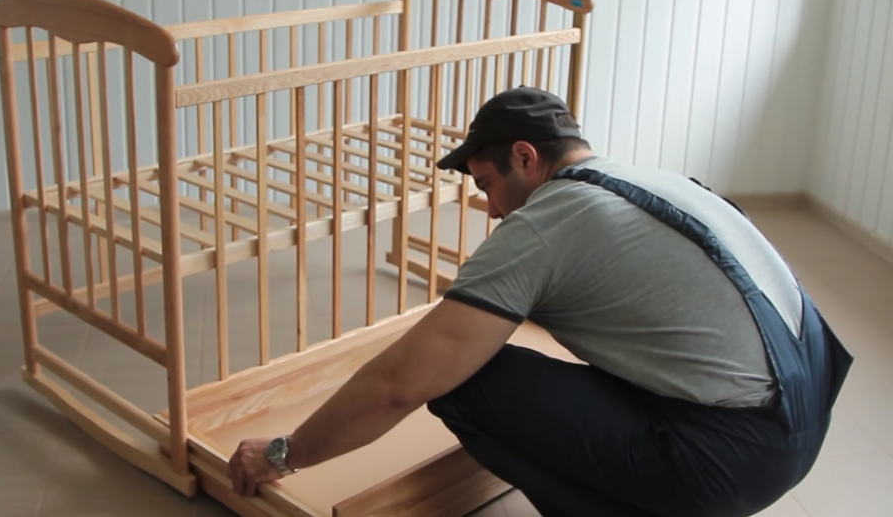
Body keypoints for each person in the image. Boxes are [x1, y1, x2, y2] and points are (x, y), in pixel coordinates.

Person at [227, 86, 854, 516]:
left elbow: (399, 383)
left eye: (489, 184)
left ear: (525, 158)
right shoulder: (654, 180)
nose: (492, 208)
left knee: (461, 380)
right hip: (806, 415)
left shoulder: (549, 221)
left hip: (731, 458)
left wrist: (284, 453)